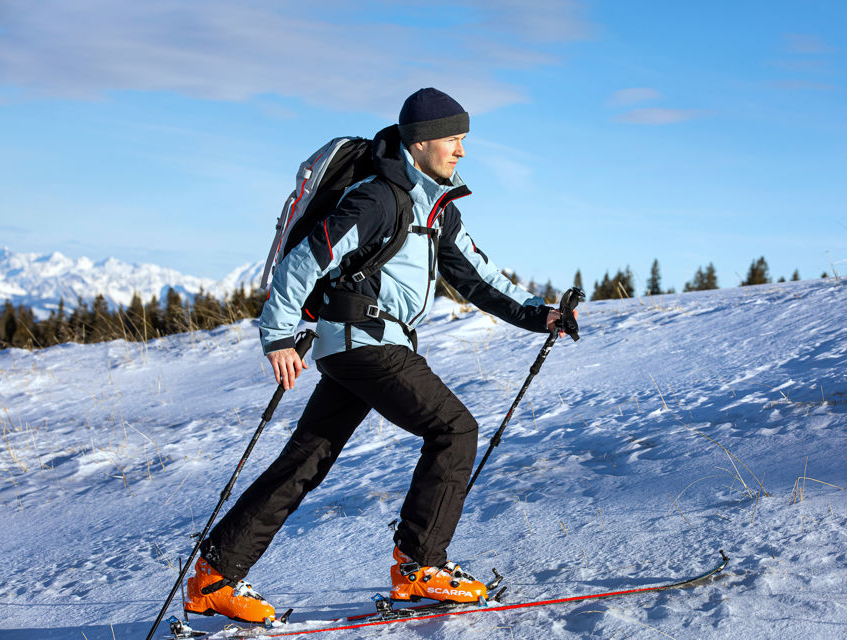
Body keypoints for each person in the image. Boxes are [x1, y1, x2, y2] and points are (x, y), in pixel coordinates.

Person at [184, 88, 573, 623]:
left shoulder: (435, 208)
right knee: (454, 430)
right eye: (452, 139)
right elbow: (306, 258)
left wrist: (540, 315)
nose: (461, 151)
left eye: (464, 140)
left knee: (306, 459)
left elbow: (477, 278)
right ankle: (420, 567)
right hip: (365, 343)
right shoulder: (379, 198)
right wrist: (276, 334)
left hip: (360, 349)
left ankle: (214, 577)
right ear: (419, 142)